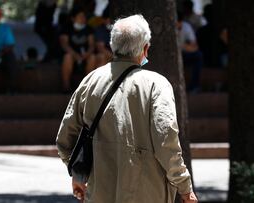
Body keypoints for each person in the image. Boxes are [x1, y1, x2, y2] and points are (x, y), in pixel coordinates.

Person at [56, 14, 198, 203]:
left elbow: (65, 139)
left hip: (99, 193)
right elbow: (166, 141)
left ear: (113, 45)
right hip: (148, 193)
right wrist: (185, 187)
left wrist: (79, 174)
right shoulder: (156, 84)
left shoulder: (90, 81)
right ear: (145, 48)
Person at [59, 7, 96, 92]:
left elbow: (91, 44)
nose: (83, 19)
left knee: (93, 57)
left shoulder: (88, 29)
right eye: (80, 16)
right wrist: (75, 55)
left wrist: (87, 54)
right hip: (71, 56)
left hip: (85, 56)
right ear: (73, 18)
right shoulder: (66, 28)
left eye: (84, 17)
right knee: (67, 57)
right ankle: (66, 86)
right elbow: (64, 44)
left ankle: (88, 88)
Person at [177, 12, 203, 92]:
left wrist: (182, 47)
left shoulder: (186, 27)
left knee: (198, 56)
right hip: (172, 55)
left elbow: (194, 47)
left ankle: (195, 85)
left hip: (183, 54)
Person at [0, 7, 18, 91]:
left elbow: (10, 44)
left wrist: (2, 52)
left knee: (11, 58)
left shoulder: (5, 29)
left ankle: (11, 88)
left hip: (1, 56)